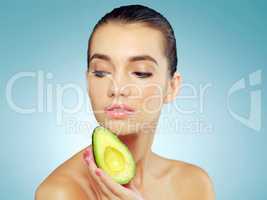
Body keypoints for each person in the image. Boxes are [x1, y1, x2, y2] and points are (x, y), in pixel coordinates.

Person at [35, 4, 215, 200]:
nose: (117, 88)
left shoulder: (193, 184)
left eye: (140, 72)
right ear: (87, 81)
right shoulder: (61, 193)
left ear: (171, 87)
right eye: (101, 72)